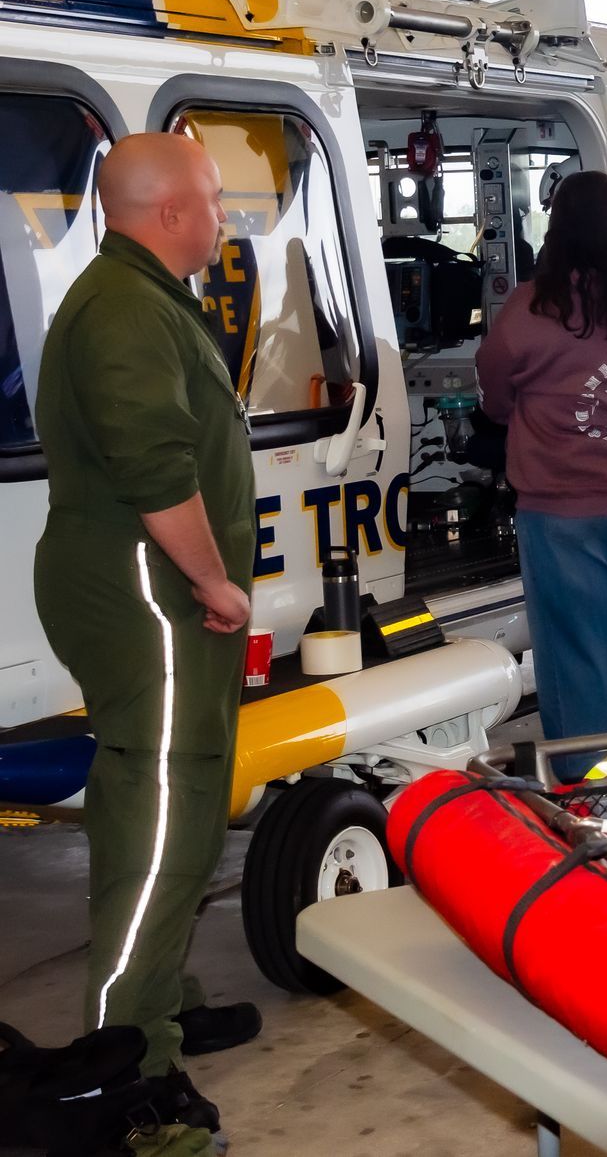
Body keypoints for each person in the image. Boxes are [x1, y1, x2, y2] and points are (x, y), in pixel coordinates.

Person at [33, 132, 259, 1140]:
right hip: (152, 593)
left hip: (153, 591)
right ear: (168, 211)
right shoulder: (125, 310)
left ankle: (156, 1024)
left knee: (184, 817)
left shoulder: (139, 295)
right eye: (214, 199)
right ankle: (123, 1082)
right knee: (159, 837)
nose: (224, 215)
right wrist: (212, 580)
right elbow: (156, 465)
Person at [477, 170, 607, 752]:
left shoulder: (532, 309)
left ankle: (586, 782)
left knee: (577, 644)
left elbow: (494, 392)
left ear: (558, 228)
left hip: (562, 505)